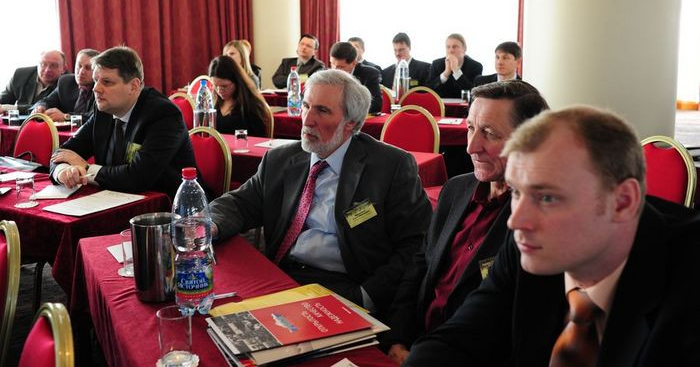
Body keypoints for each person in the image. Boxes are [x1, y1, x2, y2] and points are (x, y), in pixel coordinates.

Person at [405, 106, 700, 366]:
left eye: (547, 198)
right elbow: (460, 338)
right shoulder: (528, 246)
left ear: (622, 202)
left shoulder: (687, 284)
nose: (516, 221)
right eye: (516, 192)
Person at [209, 69, 432, 314]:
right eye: (306, 106)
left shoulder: (390, 167)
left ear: (350, 123)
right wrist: (209, 225)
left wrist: (368, 295)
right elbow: (240, 203)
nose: (307, 120)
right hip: (282, 277)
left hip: (346, 285)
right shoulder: (280, 159)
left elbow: (416, 243)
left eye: (322, 111)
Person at [385, 80, 549, 364]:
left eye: (489, 133)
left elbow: (504, 326)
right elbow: (419, 267)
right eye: (471, 128)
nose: (471, 147)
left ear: (530, 141)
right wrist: (397, 338)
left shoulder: (535, 221)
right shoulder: (455, 190)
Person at [50, 46, 196, 199]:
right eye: (96, 80)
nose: (96, 89)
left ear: (133, 86)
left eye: (107, 82)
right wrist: (63, 172)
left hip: (171, 206)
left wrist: (86, 168)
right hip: (116, 200)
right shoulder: (104, 111)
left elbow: (138, 177)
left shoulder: (164, 114)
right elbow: (63, 153)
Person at [208, 55, 269, 136]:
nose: (219, 91)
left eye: (224, 86)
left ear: (237, 81)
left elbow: (259, 138)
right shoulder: (214, 102)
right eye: (215, 86)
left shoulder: (251, 105)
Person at [32, 48, 99, 122]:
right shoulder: (66, 82)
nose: (81, 71)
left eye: (88, 68)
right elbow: (46, 101)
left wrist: (66, 117)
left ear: (97, 71)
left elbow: (94, 118)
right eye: (79, 66)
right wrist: (40, 107)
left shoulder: (100, 88)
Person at [1, 50, 67, 114]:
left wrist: (7, 108)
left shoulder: (67, 83)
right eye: (43, 64)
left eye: (54, 65)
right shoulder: (21, 75)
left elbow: (42, 108)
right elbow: (3, 100)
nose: (47, 70)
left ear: (64, 69)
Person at [329, 41, 382, 113]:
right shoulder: (325, 74)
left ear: (354, 63)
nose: (335, 70)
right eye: (332, 64)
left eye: (341, 67)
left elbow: (376, 105)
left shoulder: (369, 74)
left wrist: (345, 107)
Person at [427, 33, 483, 98]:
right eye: (448, 47)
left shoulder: (476, 66)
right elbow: (429, 89)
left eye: (455, 47)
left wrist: (456, 71)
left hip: (465, 103)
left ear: (464, 49)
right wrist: (445, 74)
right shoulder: (436, 64)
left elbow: (473, 92)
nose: (451, 51)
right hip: (441, 103)